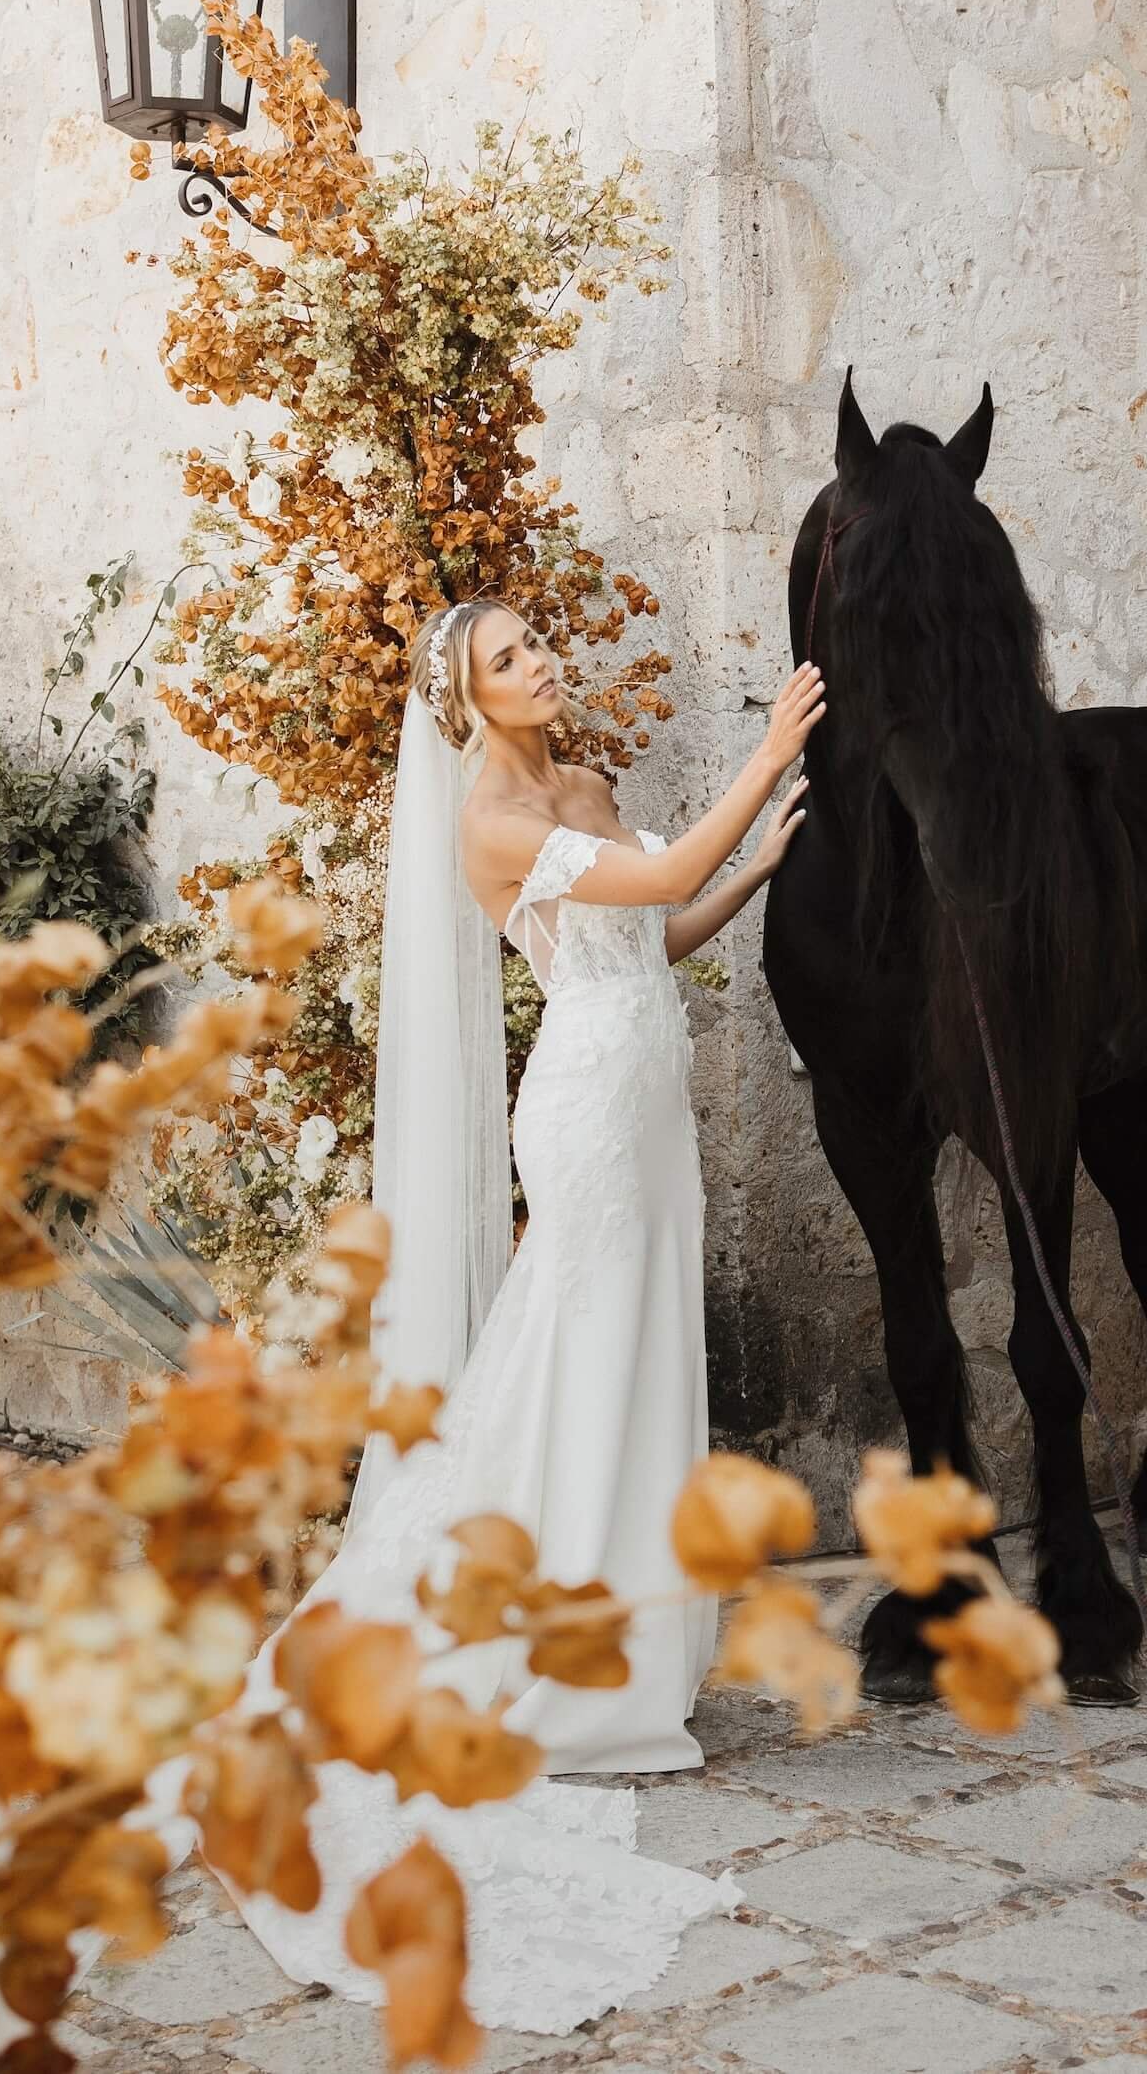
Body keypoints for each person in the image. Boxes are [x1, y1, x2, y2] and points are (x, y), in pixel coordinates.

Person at [166, 600, 824, 2034]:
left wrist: (758, 865)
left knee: (640, 1358)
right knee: (574, 1360)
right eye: (506, 662)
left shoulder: (576, 790)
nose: (538, 667)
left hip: (651, 1110)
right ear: (464, 702)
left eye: (536, 647)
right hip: (584, 1117)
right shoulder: (489, 822)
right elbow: (660, 865)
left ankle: (633, 1635)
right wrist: (767, 756)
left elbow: (658, 915)